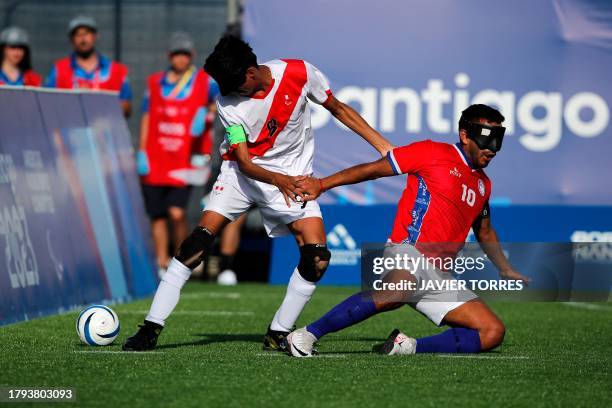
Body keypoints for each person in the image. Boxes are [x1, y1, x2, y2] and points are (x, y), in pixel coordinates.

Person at [122, 36, 393, 352]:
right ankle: (151, 328)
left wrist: (385, 148)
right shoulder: (227, 104)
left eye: (232, 84)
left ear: (251, 73)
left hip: (291, 180)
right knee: (194, 246)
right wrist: (277, 178)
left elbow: (338, 109)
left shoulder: (299, 73)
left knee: (317, 258)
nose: (225, 93)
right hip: (242, 177)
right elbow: (246, 163)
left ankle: (278, 332)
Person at [287, 104, 531, 357]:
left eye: (498, 139)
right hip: (408, 251)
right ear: (465, 135)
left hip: (440, 275)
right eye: (486, 138)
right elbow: (372, 169)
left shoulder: (482, 184)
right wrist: (322, 185)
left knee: (492, 332)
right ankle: (306, 334)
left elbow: (485, 231)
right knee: (396, 292)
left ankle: (407, 346)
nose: (491, 147)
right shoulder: (430, 151)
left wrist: (504, 267)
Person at [137, 32, 217, 276]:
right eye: (176, 54)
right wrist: (141, 151)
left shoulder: (204, 82)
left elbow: (220, 102)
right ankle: (161, 261)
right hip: (156, 156)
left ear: (191, 56)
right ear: (169, 56)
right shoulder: (154, 83)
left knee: (177, 212)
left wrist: (207, 113)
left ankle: (181, 259)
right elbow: (147, 116)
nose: (180, 59)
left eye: (184, 54)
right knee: (158, 215)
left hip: (185, 159)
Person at [45, 16, 132, 117]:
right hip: (69, 130)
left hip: (103, 131)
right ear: (71, 39)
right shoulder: (59, 69)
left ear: (96, 36)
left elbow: (127, 109)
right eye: (77, 34)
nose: (83, 39)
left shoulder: (116, 71)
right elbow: (46, 105)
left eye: (86, 33)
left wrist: (95, 101)